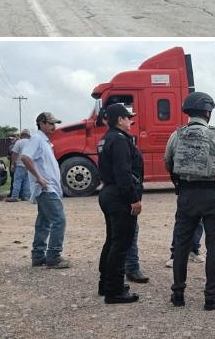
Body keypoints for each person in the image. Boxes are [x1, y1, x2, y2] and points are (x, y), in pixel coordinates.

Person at [165, 91, 215, 310]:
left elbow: (169, 162)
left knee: (182, 246)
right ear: (208, 112)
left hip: (186, 195)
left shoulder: (176, 136)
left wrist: (181, 185)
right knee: (214, 247)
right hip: (213, 196)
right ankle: (212, 295)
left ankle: (178, 294)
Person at [96, 102, 143, 303]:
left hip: (108, 193)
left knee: (112, 241)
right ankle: (114, 292)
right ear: (120, 120)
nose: (130, 121)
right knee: (121, 244)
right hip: (119, 196)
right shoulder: (120, 140)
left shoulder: (106, 139)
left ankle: (106, 284)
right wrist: (133, 199)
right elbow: (123, 173)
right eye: (128, 117)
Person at [21, 112, 68, 269]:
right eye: (50, 123)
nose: (54, 126)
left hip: (48, 188)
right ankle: (53, 256)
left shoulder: (46, 142)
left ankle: (38, 255)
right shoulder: (37, 139)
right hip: (46, 188)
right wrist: (39, 178)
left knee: (44, 222)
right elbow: (25, 157)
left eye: (54, 123)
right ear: (41, 123)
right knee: (59, 220)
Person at [6, 129, 31, 202]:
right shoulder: (31, 142)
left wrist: (13, 163)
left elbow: (14, 154)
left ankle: (15, 196)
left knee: (17, 180)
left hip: (20, 164)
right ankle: (26, 196)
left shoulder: (19, 142)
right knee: (27, 181)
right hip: (29, 165)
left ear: (22, 135)